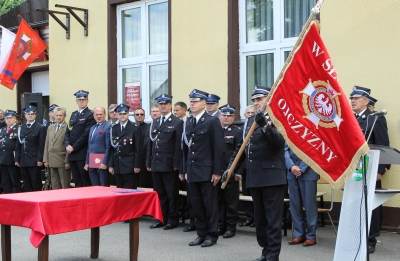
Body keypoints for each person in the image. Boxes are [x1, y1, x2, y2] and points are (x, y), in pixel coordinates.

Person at [236, 87, 286, 261]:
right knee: (260, 220)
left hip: (272, 178)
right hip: (255, 177)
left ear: (268, 99)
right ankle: (265, 251)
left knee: (273, 220)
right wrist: (230, 168)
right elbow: (243, 149)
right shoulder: (251, 121)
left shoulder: (278, 117)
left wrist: (265, 126)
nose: (257, 102)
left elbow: (279, 144)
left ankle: (273, 255)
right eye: (255, 99)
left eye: (260, 99)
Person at [181, 89, 224, 248]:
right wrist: (185, 169)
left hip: (207, 171)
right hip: (192, 170)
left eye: (195, 101)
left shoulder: (212, 121)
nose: (192, 104)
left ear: (204, 103)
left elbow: (218, 148)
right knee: (196, 204)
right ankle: (201, 233)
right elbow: (186, 149)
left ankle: (212, 235)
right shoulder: (190, 121)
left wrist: (217, 171)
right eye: (191, 101)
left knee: (209, 205)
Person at [350, 85, 390, 254]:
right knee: (355, 202)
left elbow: (383, 145)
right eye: (351, 98)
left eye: (356, 98)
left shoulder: (374, 119)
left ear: (366, 101)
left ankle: (371, 238)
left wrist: (381, 170)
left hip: (371, 168)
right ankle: (356, 235)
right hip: (353, 170)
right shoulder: (350, 119)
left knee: (371, 205)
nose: (352, 101)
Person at [147, 94, 183, 230]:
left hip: (169, 165)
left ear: (170, 105)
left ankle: (172, 219)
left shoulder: (177, 122)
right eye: (160, 104)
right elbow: (151, 144)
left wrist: (176, 165)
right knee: (159, 193)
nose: (162, 106)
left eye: (165, 104)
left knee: (171, 194)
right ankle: (161, 218)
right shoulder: (155, 122)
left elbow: (178, 146)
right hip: (156, 164)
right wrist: (149, 162)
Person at [285, 146, 318, 246]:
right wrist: (291, 166)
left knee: (310, 206)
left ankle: (311, 236)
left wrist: (301, 168)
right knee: (295, 206)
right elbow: (285, 150)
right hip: (292, 172)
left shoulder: (314, 130)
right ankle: (298, 234)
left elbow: (314, 150)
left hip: (309, 171)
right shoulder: (288, 130)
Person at [218, 104, 242, 238]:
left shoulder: (237, 132)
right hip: (217, 171)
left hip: (230, 172)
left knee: (231, 202)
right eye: (224, 115)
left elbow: (240, 153)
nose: (226, 118)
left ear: (233, 117)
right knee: (218, 201)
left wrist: (236, 171)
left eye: (229, 116)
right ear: (220, 116)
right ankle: (221, 226)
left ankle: (230, 228)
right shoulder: (216, 130)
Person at [65, 90, 95, 187]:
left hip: (82, 153)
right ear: (76, 101)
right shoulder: (74, 114)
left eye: (84, 99)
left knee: (84, 181)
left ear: (87, 100)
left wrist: (74, 147)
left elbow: (85, 135)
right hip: (72, 154)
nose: (81, 101)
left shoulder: (90, 114)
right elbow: (68, 132)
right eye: (79, 99)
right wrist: (67, 144)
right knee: (76, 181)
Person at [109, 104, 141, 189]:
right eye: (120, 114)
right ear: (117, 115)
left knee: (130, 192)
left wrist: (137, 165)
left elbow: (138, 149)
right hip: (117, 166)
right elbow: (112, 149)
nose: (122, 116)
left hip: (129, 166)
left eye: (124, 114)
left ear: (128, 114)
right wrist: (111, 165)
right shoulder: (114, 128)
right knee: (119, 191)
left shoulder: (134, 128)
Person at [15, 105, 46, 192]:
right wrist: (17, 159)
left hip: (34, 160)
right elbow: (18, 145)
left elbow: (41, 145)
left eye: (32, 114)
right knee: (26, 184)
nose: (30, 115)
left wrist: (40, 159)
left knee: (36, 184)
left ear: (35, 115)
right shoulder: (21, 127)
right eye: (28, 114)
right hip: (23, 160)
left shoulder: (40, 127)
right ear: (25, 115)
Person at [43, 107, 71, 189]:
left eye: (61, 115)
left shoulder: (67, 127)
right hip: (51, 159)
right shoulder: (50, 127)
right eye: (57, 115)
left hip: (62, 160)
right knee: (54, 184)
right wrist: (45, 159)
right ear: (54, 116)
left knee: (64, 184)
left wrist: (67, 161)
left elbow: (68, 146)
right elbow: (47, 144)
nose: (58, 117)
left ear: (64, 116)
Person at [84, 107, 111, 186]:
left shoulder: (108, 126)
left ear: (105, 115)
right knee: (95, 187)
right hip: (92, 161)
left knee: (103, 186)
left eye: (101, 114)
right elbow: (89, 146)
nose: (99, 116)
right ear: (94, 116)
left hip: (102, 162)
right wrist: (87, 162)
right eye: (97, 115)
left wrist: (104, 162)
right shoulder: (92, 128)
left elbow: (108, 147)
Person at [0, 110, 20, 193]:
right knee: (5, 182)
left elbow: (19, 145)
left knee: (14, 181)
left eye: (11, 118)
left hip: (12, 159)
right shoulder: (2, 129)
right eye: (7, 118)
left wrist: (17, 159)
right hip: (2, 159)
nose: (8, 120)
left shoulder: (18, 129)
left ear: (15, 119)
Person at [134, 108, 152, 188]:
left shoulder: (148, 127)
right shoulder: (131, 127)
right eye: (137, 114)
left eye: (141, 114)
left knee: (144, 187)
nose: (139, 116)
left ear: (144, 116)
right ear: (134, 116)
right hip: (131, 163)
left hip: (144, 164)